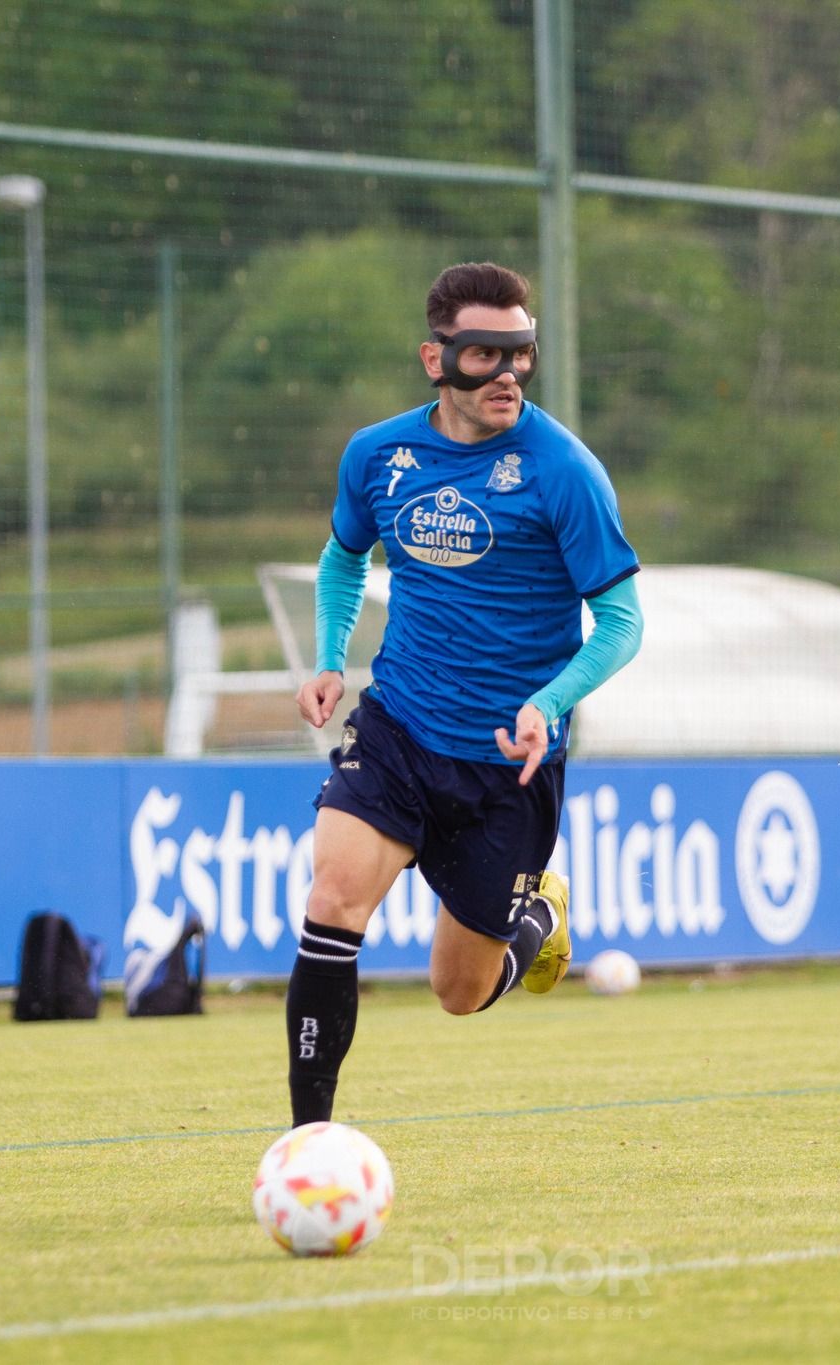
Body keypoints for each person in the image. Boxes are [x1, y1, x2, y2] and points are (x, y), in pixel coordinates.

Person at [286, 262, 644, 1126]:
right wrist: (332, 655)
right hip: (401, 727)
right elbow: (343, 556)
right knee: (332, 897)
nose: (509, 373)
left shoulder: (564, 470)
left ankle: (535, 925)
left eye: (521, 353)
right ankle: (309, 1143)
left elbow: (623, 619)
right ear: (435, 359)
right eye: (486, 355)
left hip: (506, 767)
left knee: (457, 989)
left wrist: (549, 702)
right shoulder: (378, 455)